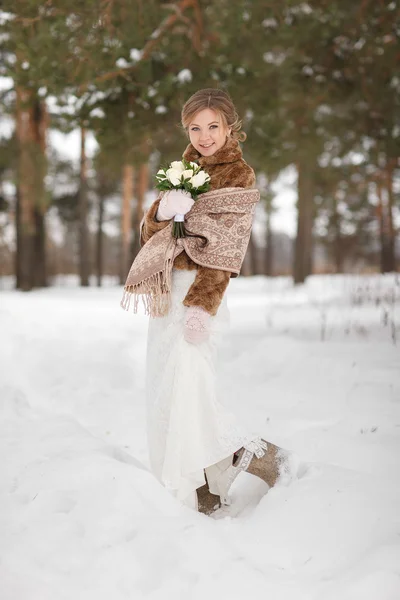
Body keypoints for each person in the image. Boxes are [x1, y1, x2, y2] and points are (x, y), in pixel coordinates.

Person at [123, 88, 297, 515]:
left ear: (229, 126)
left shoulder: (240, 174)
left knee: (191, 387)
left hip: (202, 295)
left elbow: (224, 251)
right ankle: (204, 488)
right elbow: (152, 238)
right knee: (168, 391)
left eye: (212, 126)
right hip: (168, 293)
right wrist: (162, 212)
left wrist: (202, 307)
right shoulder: (182, 170)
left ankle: (250, 454)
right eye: (195, 128)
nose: (204, 136)